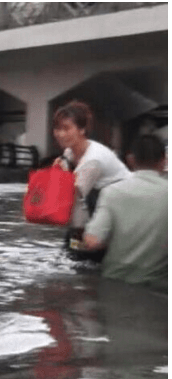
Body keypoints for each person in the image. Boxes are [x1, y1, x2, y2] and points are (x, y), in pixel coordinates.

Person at [82, 134, 167, 291]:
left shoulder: (111, 192)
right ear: (164, 160)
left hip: (115, 284)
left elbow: (92, 241)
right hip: (158, 289)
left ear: (130, 159)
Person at [52, 100, 130, 261]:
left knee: (81, 251)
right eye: (57, 128)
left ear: (82, 129)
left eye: (66, 128)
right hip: (100, 204)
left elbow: (73, 201)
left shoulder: (92, 160)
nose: (60, 134)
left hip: (123, 209)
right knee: (73, 246)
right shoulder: (70, 152)